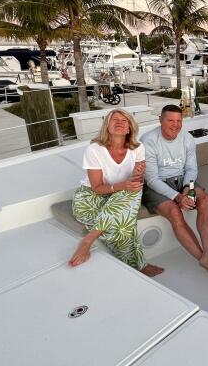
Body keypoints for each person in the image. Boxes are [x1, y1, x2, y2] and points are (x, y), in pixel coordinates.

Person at [69, 109, 164, 277]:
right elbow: (97, 187)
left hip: (124, 195)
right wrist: (124, 185)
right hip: (91, 197)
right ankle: (138, 265)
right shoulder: (94, 150)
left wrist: (136, 175)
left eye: (124, 120)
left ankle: (90, 240)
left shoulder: (138, 148)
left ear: (129, 128)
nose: (120, 122)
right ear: (107, 126)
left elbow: (136, 182)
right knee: (122, 223)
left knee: (133, 192)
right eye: (115, 119)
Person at [140, 104, 208, 275]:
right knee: (174, 211)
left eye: (179, 121)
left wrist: (187, 187)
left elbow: (191, 169)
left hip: (183, 181)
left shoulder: (187, 138)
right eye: (170, 120)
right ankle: (205, 260)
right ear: (160, 120)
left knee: (204, 199)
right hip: (156, 186)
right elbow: (152, 179)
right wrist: (178, 197)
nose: (175, 125)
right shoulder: (148, 141)